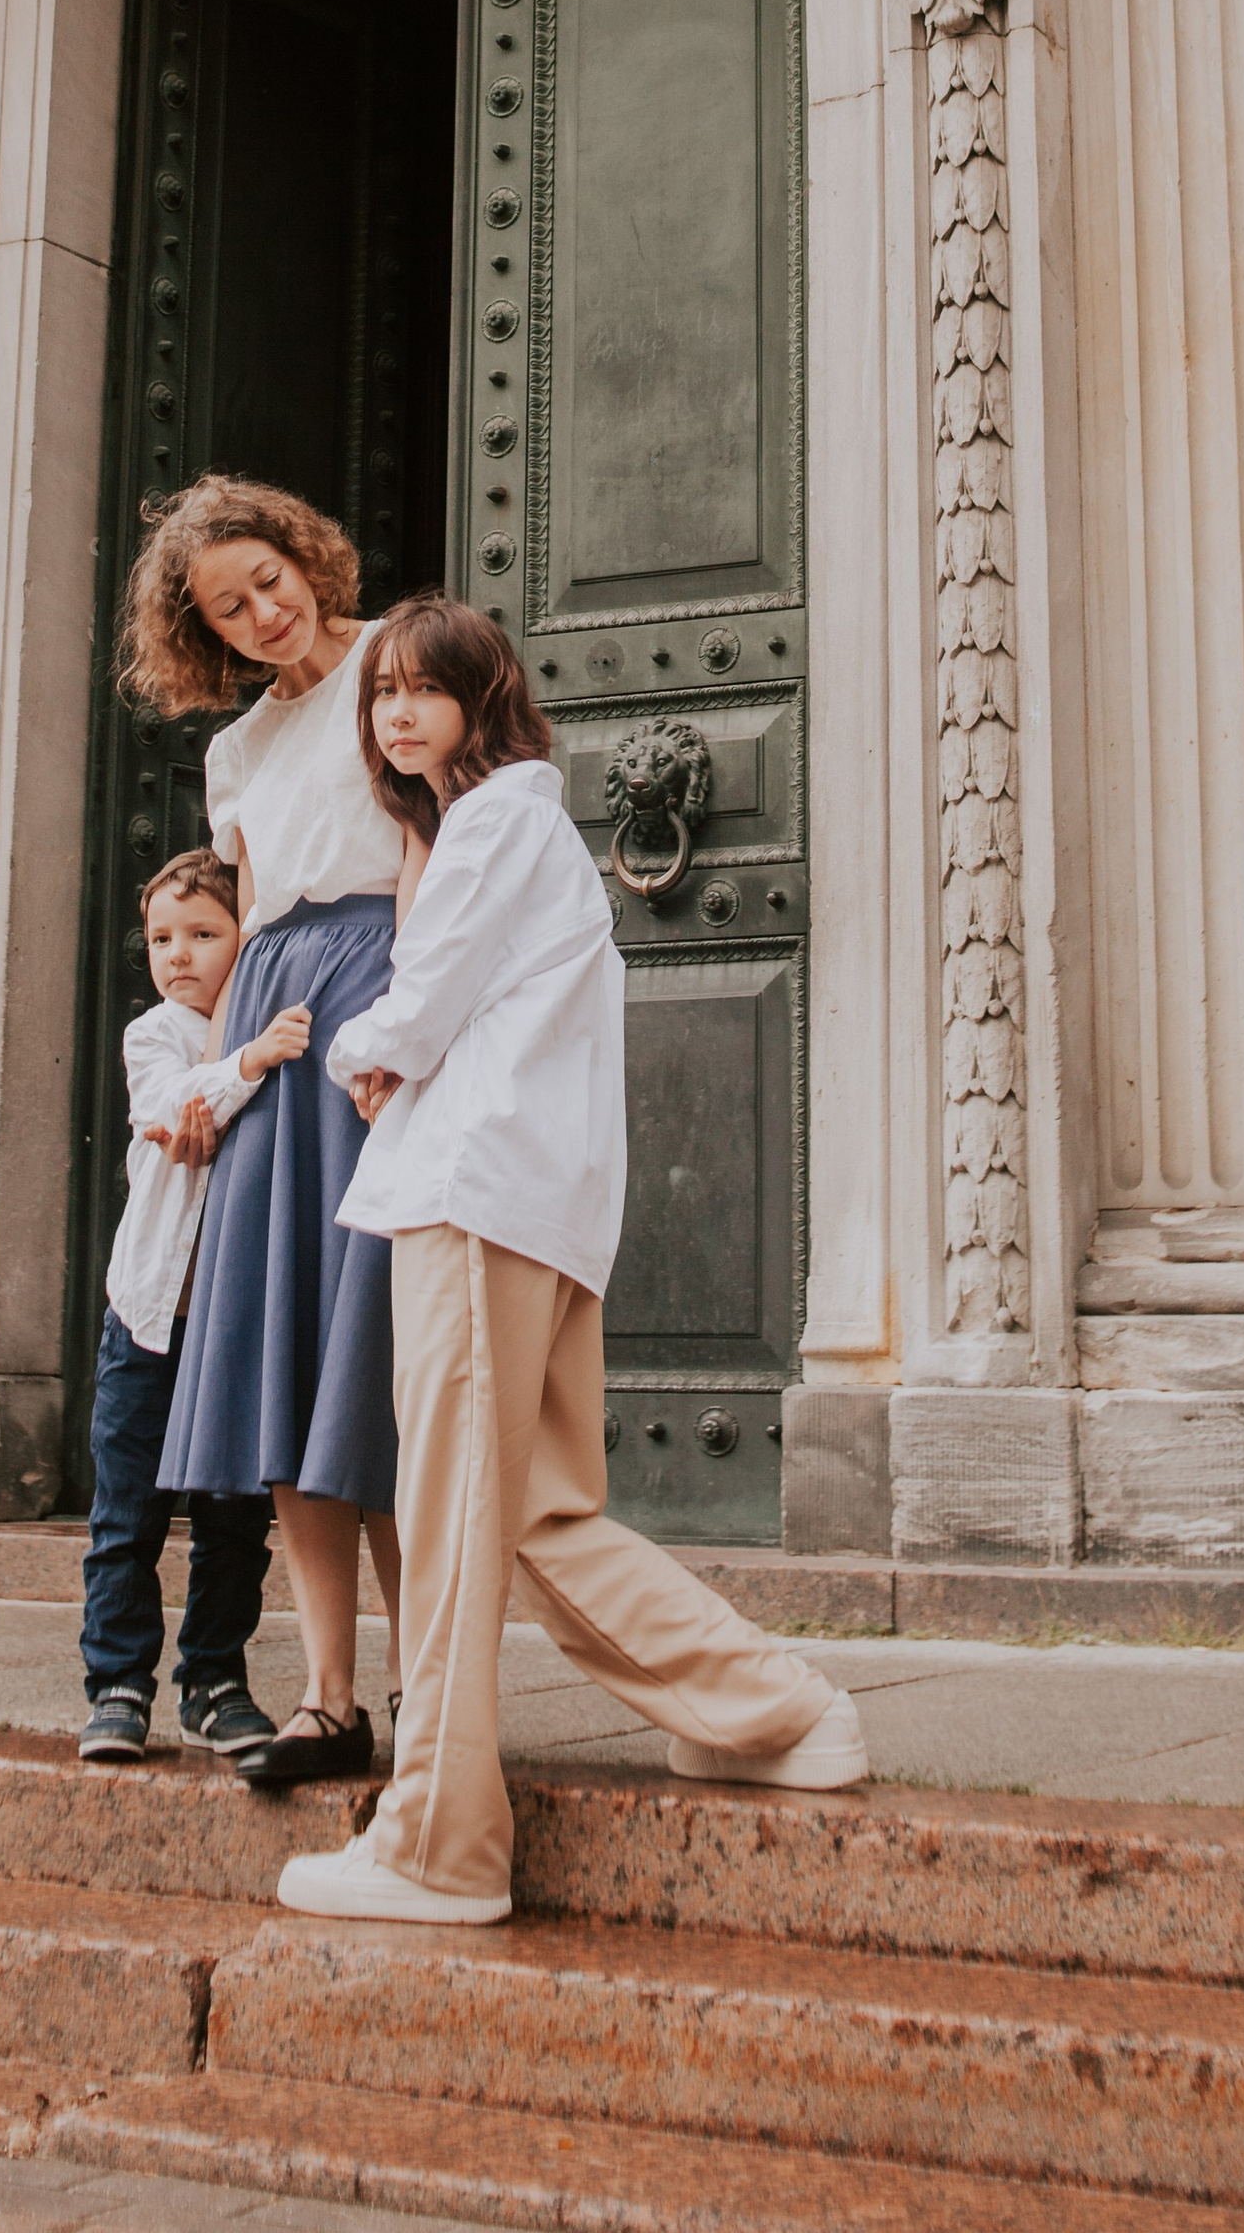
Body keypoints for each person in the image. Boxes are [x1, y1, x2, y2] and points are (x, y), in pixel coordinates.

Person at [277, 594, 863, 1927]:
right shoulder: (519, 826)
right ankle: (772, 1709)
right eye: (383, 694)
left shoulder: (494, 821)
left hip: (474, 1195)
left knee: (449, 1518)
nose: (399, 713)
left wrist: (359, 1052)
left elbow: (421, 1001)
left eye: (427, 689)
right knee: (536, 1512)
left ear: (484, 700)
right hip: (530, 1203)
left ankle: (437, 1844)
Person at [127, 475, 406, 1784]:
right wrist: (209, 1084)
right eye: (229, 611)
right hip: (274, 1035)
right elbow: (247, 928)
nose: (261, 615)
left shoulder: (401, 662)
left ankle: (427, 1685)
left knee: (383, 1357)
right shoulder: (234, 752)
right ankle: (329, 1698)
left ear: (304, 554)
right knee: (295, 1365)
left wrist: (411, 1027)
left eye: (268, 582)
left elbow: (441, 851)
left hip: (384, 1002)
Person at [78, 845, 302, 1766]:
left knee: (234, 1518)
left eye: (204, 934)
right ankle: (117, 1684)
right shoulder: (156, 1034)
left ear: (246, 940)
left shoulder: (276, 1026)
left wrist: (252, 1062)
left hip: (233, 1324)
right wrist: (245, 1064)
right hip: (149, 1319)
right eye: (162, 937)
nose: (178, 954)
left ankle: (213, 1681)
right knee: (126, 1516)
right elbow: (169, 1105)